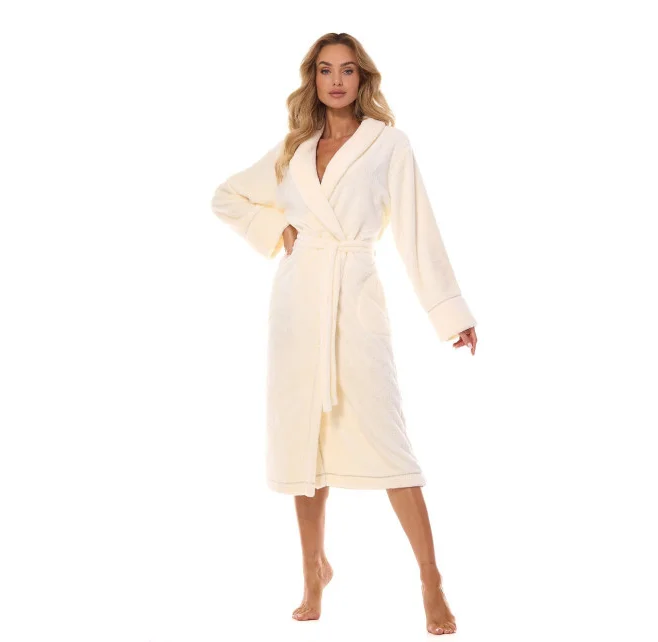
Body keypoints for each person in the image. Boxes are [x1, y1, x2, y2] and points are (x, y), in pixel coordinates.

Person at [211, 32, 478, 636]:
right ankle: (313, 571)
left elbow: (417, 231)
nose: (336, 81)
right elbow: (225, 197)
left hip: (355, 298)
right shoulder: (294, 148)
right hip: (296, 305)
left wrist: (450, 312)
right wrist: (276, 230)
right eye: (326, 70)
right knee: (303, 442)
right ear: (313, 78)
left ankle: (430, 579)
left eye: (348, 70)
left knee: (389, 441)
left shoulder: (389, 145)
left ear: (363, 79)